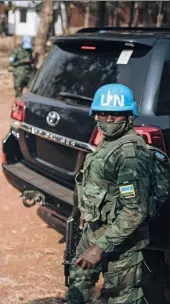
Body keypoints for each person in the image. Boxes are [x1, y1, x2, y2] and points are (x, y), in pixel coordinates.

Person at [67, 84, 153, 304]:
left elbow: (134, 211)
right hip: (95, 229)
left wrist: (100, 248)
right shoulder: (109, 140)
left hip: (123, 241)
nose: (108, 119)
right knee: (78, 282)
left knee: (120, 297)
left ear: (128, 116)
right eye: (102, 114)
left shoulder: (130, 154)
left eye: (115, 115)